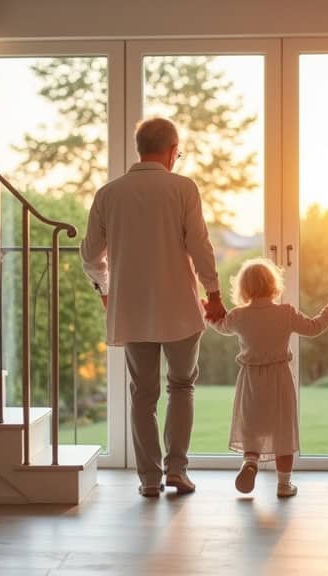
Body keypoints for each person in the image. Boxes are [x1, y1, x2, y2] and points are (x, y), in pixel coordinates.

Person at [81, 117, 226, 498]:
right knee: (181, 386)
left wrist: (105, 290)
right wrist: (213, 293)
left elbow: (90, 256)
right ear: (173, 149)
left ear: (139, 148)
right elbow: (199, 244)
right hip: (179, 306)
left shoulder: (108, 194)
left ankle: (148, 479)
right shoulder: (182, 188)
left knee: (142, 395)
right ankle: (176, 470)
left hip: (131, 310)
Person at [208, 258, 328, 497]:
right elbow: (313, 327)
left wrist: (208, 316)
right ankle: (284, 484)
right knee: (283, 432)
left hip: (251, 381)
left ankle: (250, 462)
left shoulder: (239, 316)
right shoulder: (285, 313)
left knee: (252, 428)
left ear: (243, 289)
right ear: (273, 285)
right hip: (279, 379)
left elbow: (221, 326)